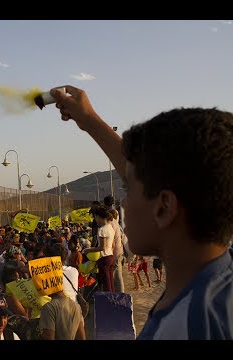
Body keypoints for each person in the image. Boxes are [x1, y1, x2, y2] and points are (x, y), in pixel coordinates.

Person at [50, 85, 233, 339]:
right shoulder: (220, 280)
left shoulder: (187, 327)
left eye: (128, 188)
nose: (122, 205)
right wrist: (89, 120)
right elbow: (144, 174)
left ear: (164, 207)